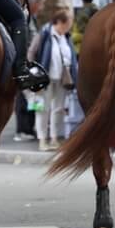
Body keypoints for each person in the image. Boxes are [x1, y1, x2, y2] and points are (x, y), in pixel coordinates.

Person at [29, 10, 77, 152]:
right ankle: (42, 140)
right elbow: (31, 52)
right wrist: (33, 71)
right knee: (42, 109)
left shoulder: (66, 37)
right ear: (60, 22)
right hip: (45, 78)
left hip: (62, 79)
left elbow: (71, 57)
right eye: (68, 23)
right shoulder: (44, 33)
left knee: (58, 109)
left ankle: (55, 138)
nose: (69, 26)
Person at [14, 0, 48, 143]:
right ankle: (23, 130)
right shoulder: (25, 16)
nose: (41, 8)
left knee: (31, 96)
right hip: (25, 61)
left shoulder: (31, 17)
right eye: (40, 4)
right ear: (34, 3)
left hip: (29, 61)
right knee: (23, 97)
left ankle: (29, 128)